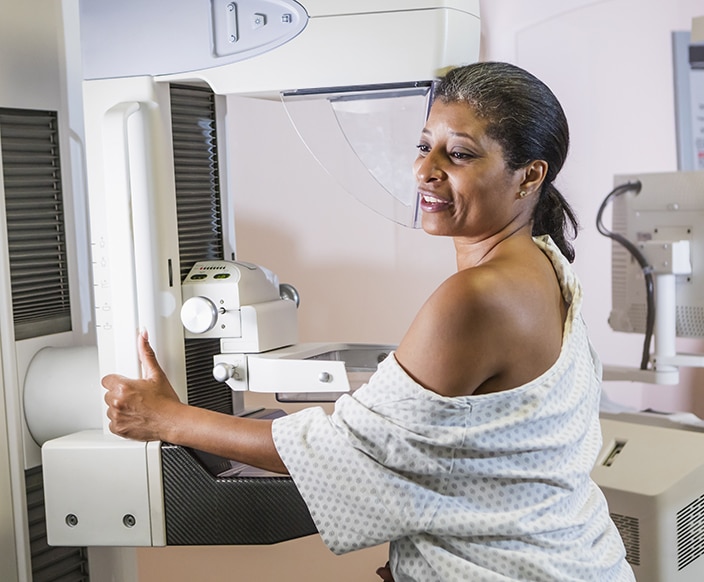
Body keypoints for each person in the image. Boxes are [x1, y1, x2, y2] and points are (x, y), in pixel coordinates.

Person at [102, 61, 634, 581]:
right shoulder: (546, 265)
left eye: (461, 154)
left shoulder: (477, 298)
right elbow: (489, 462)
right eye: (424, 145)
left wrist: (165, 418)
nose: (426, 170)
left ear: (530, 175)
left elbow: (349, 454)